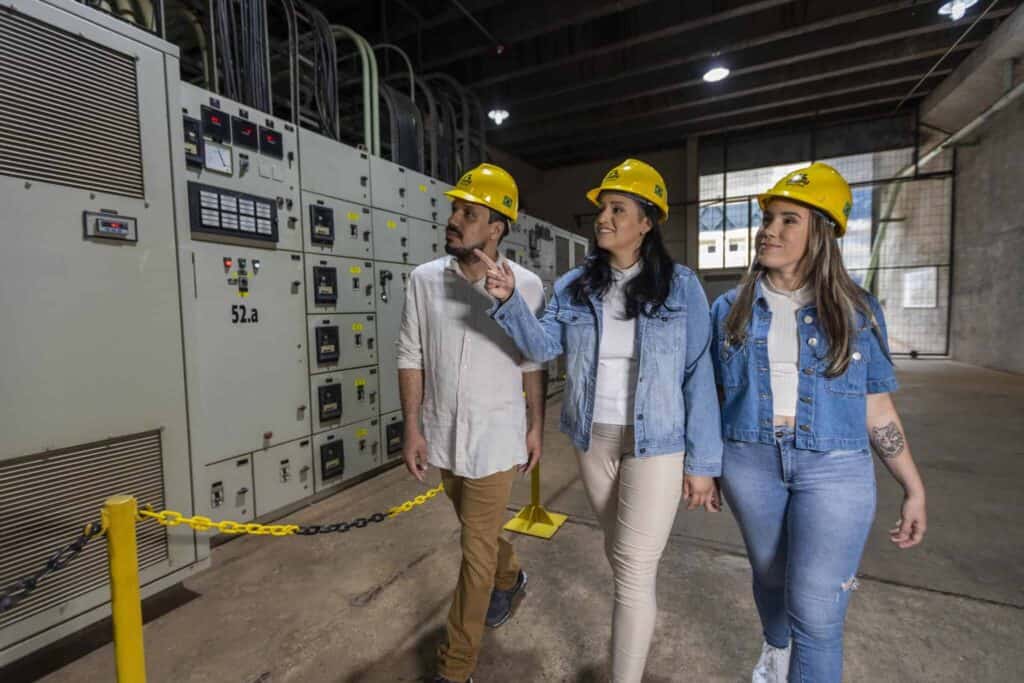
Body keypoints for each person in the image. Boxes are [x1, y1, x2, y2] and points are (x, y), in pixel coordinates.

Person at [479, 159, 722, 683]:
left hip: (656, 442)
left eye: (618, 209)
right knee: (622, 557)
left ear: (647, 221)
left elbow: (699, 372)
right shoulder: (574, 285)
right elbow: (542, 346)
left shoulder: (681, 288)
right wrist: (508, 303)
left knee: (633, 571)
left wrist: (703, 462)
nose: (604, 219)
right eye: (602, 209)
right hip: (593, 438)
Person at [710, 162, 928, 682]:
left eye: (789, 220)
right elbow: (711, 396)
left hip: (836, 468)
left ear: (822, 234)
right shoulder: (729, 308)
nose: (769, 230)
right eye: (768, 218)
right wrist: (701, 464)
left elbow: (877, 408)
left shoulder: (858, 311)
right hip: (749, 460)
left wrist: (913, 487)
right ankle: (776, 648)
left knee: (817, 611)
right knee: (769, 578)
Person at [396, 163, 547, 683]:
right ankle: (513, 574)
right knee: (478, 538)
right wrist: (412, 428)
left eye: (469, 213)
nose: (454, 219)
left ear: (497, 227)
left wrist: (534, 427)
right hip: (443, 435)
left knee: (473, 555)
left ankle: (455, 668)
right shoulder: (423, 280)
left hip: (496, 437)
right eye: (455, 209)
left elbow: (532, 361)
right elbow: (411, 354)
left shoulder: (525, 285)